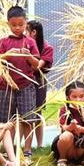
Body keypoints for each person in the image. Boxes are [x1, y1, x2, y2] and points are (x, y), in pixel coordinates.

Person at [0, 5, 40, 165]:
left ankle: (27, 151)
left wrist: (29, 57)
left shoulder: (29, 42)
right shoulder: (3, 42)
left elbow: (36, 64)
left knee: (28, 119)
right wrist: (7, 55)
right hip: (7, 86)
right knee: (6, 121)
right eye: (14, 25)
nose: (17, 28)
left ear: (25, 23)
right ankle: (8, 151)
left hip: (26, 85)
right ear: (8, 24)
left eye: (21, 24)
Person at [52, 80, 84, 166]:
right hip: (69, 147)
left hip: (82, 147)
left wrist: (82, 129)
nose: (78, 100)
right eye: (74, 97)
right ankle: (62, 159)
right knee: (66, 135)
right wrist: (71, 127)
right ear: (68, 97)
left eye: (81, 96)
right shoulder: (64, 110)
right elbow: (63, 127)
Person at [26, 19, 54, 151]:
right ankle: (25, 145)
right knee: (24, 114)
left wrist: (27, 58)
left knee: (37, 113)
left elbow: (37, 66)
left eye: (26, 30)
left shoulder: (47, 48)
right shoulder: (23, 44)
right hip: (24, 81)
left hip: (38, 81)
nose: (23, 33)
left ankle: (40, 144)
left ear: (34, 32)